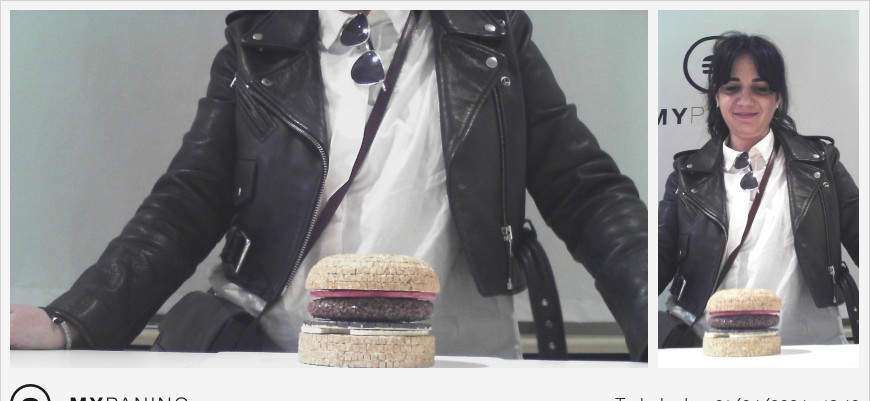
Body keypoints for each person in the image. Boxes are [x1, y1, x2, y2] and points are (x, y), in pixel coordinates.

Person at [10, 10, 648, 361]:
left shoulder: (493, 35)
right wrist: (75, 317)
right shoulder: (258, 41)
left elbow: (586, 192)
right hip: (275, 365)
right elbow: (189, 199)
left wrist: (663, 326)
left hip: (455, 368)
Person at [658, 32, 859, 347]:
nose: (745, 100)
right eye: (731, 87)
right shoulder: (687, 176)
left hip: (810, 352)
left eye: (760, 88)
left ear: (777, 98)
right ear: (716, 97)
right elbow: (654, 264)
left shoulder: (821, 165)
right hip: (711, 352)